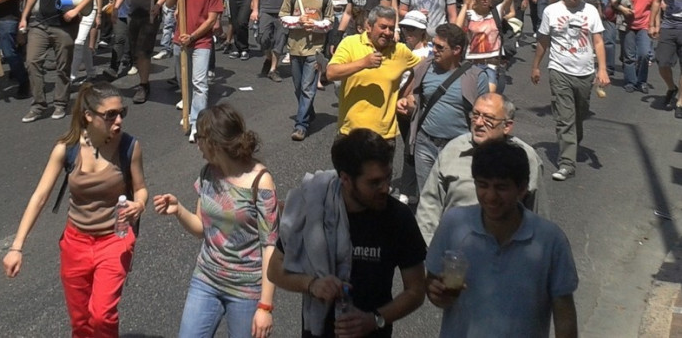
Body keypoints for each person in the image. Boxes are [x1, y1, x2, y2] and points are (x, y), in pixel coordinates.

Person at [2, 83, 147, 338]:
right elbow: (40, 196)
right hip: (75, 243)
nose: (119, 120)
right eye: (110, 114)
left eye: (121, 112)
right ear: (88, 116)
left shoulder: (129, 147)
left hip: (114, 241)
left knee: (102, 315)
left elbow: (141, 188)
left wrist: (140, 204)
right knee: (81, 322)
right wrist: (17, 247)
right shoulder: (66, 149)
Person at [267, 128, 427, 338]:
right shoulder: (314, 208)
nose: (385, 188)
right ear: (345, 179)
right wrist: (312, 284)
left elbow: (415, 291)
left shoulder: (399, 218)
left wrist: (374, 319)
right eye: (374, 182)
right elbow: (275, 271)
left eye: (388, 178)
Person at [426, 140, 578, 338]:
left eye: (501, 187)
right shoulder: (453, 224)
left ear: (523, 188)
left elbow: (564, 314)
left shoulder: (550, 240)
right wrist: (438, 293)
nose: (490, 196)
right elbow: (432, 284)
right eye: (482, 185)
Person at [154, 104, 278, 338]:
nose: (196, 142)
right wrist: (178, 209)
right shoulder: (208, 173)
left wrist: (265, 306)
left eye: (198, 136)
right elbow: (202, 228)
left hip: (246, 288)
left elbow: (270, 246)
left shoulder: (260, 181)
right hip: (206, 278)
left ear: (214, 142)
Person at [415, 93, 543, 244]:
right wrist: (429, 250)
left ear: (507, 126)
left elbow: (538, 214)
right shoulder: (453, 151)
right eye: (475, 115)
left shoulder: (527, 158)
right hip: (454, 257)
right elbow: (430, 205)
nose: (479, 123)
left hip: (507, 255)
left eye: (488, 119)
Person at [531, 0, 609, 181]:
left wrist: (602, 69)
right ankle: (567, 163)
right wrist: (536, 65)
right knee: (565, 118)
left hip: (584, 72)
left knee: (579, 115)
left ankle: (573, 141)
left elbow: (598, 41)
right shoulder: (551, 11)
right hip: (559, 69)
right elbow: (543, 41)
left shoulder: (590, 11)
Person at [19, 0, 98, 122]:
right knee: (32, 62)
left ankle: (60, 103)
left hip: (65, 26)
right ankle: (38, 105)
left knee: (63, 67)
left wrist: (76, 10)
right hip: (40, 24)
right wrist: (24, 17)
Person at [406, 23, 489, 194]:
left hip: (458, 148)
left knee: (455, 197)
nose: (434, 49)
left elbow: (485, 114)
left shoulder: (476, 77)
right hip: (425, 143)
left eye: (439, 47)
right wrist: (407, 102)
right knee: (427, 196)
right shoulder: (425, 67)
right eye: (433, 45)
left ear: (456, 49)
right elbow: (413, 95)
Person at [326, 6, 421, 144]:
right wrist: (363, 63)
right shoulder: (350, 43)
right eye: (383, 27)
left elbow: (423, 68)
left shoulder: (400, 51)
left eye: (391, 28)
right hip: (351, 132)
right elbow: (331, 73)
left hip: (384, 136)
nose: (387, 32)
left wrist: (406, 93)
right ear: (369, 27)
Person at [166, 0, 224, 141]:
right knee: (185, 81)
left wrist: (192, 36)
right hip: (180, 39)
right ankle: (189, 114)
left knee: (200, 83)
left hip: (201, 42)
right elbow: (169, 3)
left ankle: (197, 124)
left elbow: (211, 20)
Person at [111, 0, 172, 103]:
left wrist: (158, 5)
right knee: (136, 52)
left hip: (151, 16)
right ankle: (143, 78)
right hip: (134, 14)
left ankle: (143, 85)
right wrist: (116, 7)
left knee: (144, 52)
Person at [279, 0, 334, 141]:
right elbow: (282, 18)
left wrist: (316, 25)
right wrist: (297, 21)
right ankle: (308, 111)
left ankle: (301, 125)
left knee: (307, 88)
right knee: (298, 88)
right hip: (295, 47)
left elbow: (329, 22)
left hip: (314, 50)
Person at [610, 0, 660, 93]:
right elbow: (613, 0)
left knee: (644, 54)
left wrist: (655, 25)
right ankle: (630, 81)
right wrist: (622, 8)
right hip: (627, 24)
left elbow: (657, 6)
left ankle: (642, 80)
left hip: (644, 24)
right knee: (629, 56)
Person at [455, 0, 514, 93]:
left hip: (492, 63)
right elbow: (457, 29)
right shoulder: (469, 14)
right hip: (472, 63)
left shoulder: (497, 12)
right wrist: (465, 5)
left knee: (489, 96)